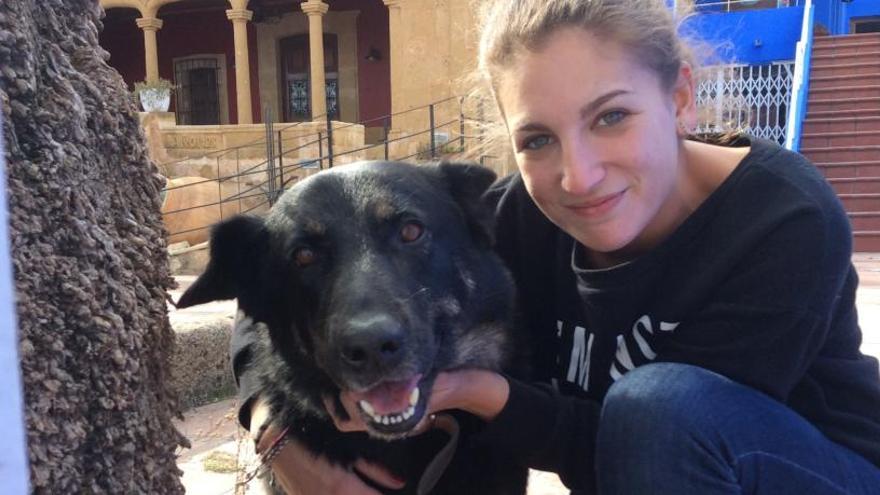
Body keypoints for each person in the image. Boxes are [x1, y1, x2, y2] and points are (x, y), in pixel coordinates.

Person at [232, 0, 880, 493]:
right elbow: (298, 258)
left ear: (680, 97)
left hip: (815, 469)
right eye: (538, 138)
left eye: (611, 117)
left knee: (654, 408)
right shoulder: (526, 211)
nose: (578, 176)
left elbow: (635, 455)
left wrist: (473, 388)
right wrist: (272, 424)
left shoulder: (782, 221)